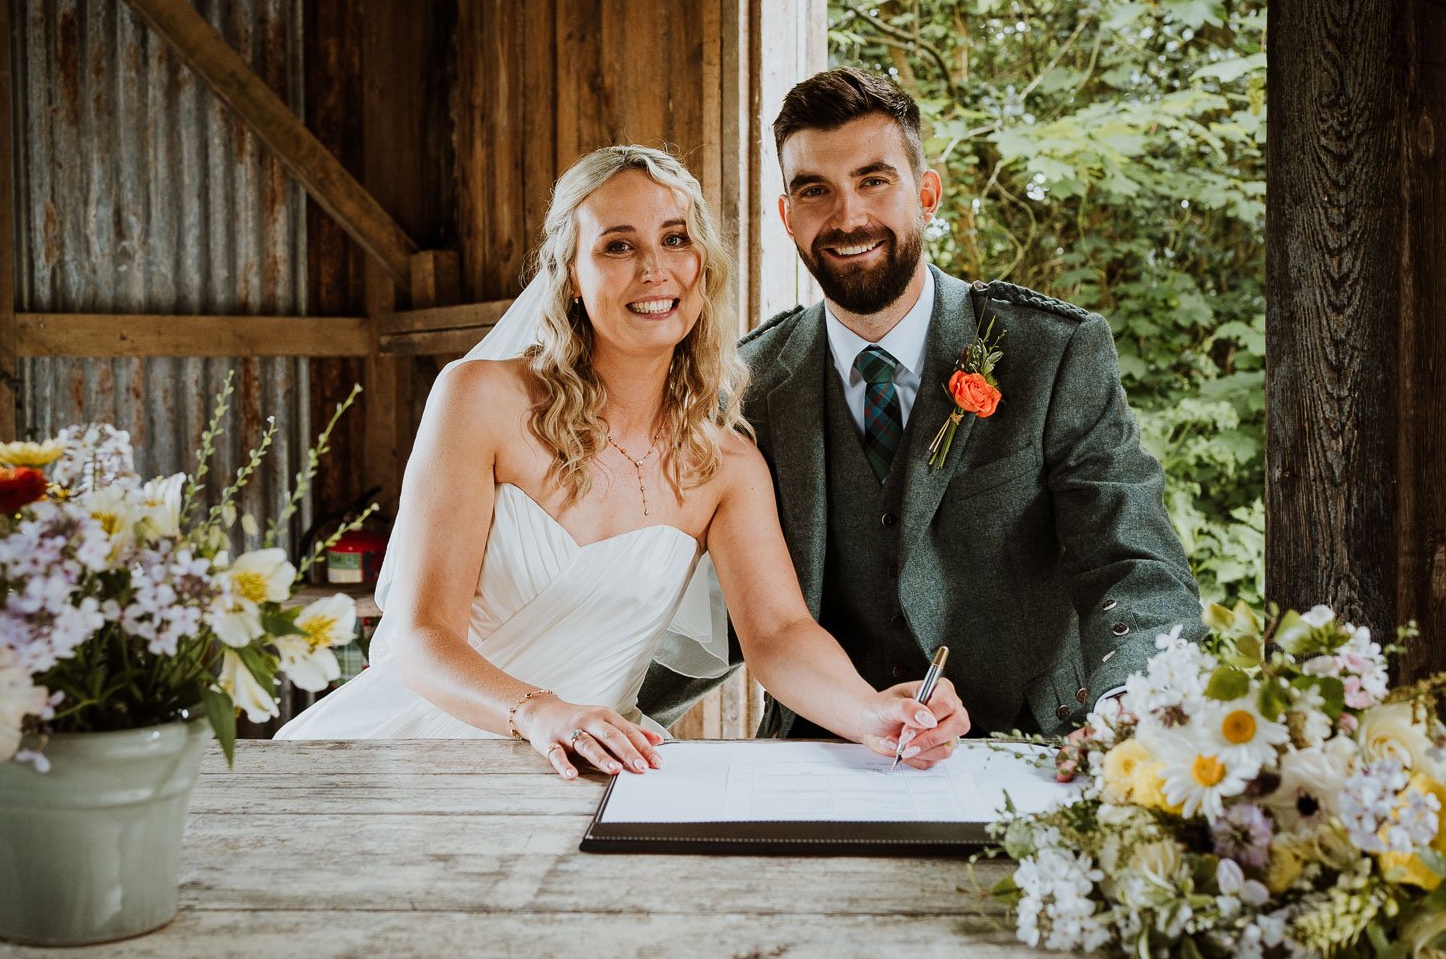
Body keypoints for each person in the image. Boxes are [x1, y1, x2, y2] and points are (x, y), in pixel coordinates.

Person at [277, 145, 971, 777]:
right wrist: (539, 712)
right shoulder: (480, 399)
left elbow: (780, 635)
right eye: (617, 245)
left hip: (590, 776)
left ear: (703, 266)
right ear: (571, 276)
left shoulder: (725, 464)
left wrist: (872, 714)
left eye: (676, 239)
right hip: (420, 746)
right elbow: (421, 638)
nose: (654, 269)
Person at [639, 67, 1204, 758]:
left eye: (874, 180)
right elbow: (722, 609)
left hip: (1030, 754)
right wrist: (598, 708)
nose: (848, 217)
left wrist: (1129, 714)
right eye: (815, 190)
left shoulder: (1051, 354)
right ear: (788, 217)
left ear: (927, 194)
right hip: (816, 762)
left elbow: (1131, 560)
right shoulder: (744, 387)